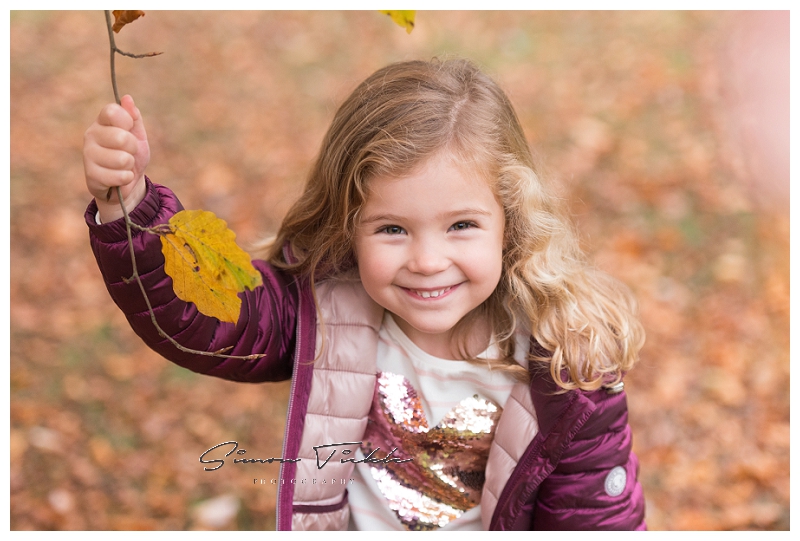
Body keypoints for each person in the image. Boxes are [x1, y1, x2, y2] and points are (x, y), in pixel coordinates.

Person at [83, 58, 646, 531]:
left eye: (461, 226)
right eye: (392, 229)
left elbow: (594, 518)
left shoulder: (566, 367)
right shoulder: (325, 308)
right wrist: (130, 210)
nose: (427, 261)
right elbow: (203, 319)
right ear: (348, 226)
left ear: (511, 221)